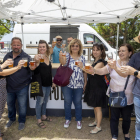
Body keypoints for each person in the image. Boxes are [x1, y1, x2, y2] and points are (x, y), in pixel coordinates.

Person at [87, 44, 135, 140]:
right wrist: (93, 70)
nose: (120, 53)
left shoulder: (133, 65)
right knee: (114, 117)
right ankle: (114, 135)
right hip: (114, 95)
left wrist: (115, 68)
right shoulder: (113, 63)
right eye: (119, 51)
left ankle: (126, 133)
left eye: (123, 51)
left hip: (128, 97)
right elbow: (102, 71)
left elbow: (124, 74)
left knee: (126, 118)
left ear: (130, 53)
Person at [3, 37, 32, 131]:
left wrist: (33, 66)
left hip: (22, 86)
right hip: (9, 86)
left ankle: (21, 121)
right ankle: (11, 119)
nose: (16, 47)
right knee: (10, 105)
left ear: (21, 45)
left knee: (22, 105)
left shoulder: (26, 56)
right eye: (14, 45)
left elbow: (32, 69)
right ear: (11, 45)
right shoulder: (7, 56)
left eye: (18, 45)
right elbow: (3, 70)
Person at [59, 38, 87, 129]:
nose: (75, 47)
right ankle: (68, 118)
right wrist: (60, 56)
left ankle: (78, 120)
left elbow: (85, 71)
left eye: (77, 46)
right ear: (70, 47)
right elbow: (62, 63)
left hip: (79, 84)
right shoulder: (66, 55)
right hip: (67, 84)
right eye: (73, 46)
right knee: (67, 102)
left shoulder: (82, 57)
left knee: (78, 102)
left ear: (79, 47)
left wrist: (85, 82)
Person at [81, 43, 107, 134]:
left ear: (101, 51)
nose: (95, 52)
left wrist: (81, 66)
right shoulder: (94, 61)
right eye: (94, 49)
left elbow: (91, 71)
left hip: (98, 87)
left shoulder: (101, 62)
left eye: (97, 50)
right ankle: (96, 121)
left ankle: (98, 126)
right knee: (95, 106)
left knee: (97, 107)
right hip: (93, 86)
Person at [30, 40, 55, 129]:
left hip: (48, 84)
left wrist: (52, 82)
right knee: (39, 102)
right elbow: (35, 60)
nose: (42, 48)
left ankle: (43, 116)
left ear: (46, 48)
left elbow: (49, 71)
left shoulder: (47, 57)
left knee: (45, 101)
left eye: (43, 47)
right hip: (40, 84)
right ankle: (38, 119)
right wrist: (36, 60)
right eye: (40, 47)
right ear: (38, 48)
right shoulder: (38, 56)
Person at [120, 37, 140, 140]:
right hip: (138, 94)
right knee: (139, 121)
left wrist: (136, 72)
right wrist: (114, 67)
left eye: (123, 51)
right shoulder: (136, 56)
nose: (121, 52)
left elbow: (133, 72)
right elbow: (126, 72)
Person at [0, 59, 24, 140]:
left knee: (1, 111)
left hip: (2, 88)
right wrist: (16, 67)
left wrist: (16, 68)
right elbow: (1, 72)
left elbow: (2, 72)